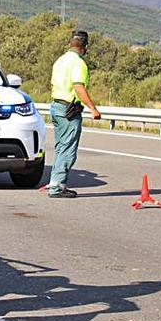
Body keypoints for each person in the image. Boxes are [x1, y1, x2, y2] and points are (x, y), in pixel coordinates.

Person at [47, 30, 101, 199]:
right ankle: (57, 186)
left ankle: (55, 182)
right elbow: (78, 87)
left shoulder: (60, 60)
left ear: (70, 44)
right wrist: (92, 108)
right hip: (69, 110)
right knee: (68, 148)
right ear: (85, 47)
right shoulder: (78, 64)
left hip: (56, 106)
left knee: (60, 147)